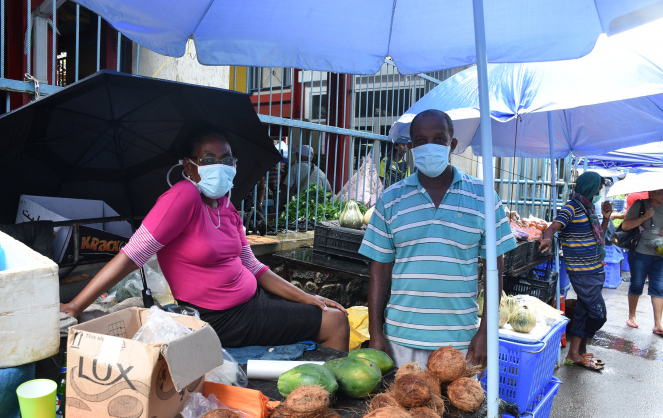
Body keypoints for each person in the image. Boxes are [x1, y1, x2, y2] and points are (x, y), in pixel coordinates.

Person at [60, 130, 349, 351]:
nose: (220, 166)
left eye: (227, 159)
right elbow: (132, 255)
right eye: (208, 159)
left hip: (252, 303)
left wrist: (307, 298)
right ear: (188, 166)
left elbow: (254, 267)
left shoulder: (226, 204)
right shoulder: (183, 198)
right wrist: (76, 305)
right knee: (336, 322)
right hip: (223, 318)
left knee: (328, 310)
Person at [359, 109, 516, 367]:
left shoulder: (484, 197)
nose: (429, 146)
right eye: (420, 141)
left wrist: (487, 333)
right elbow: (379, 269)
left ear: (452, 144)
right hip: (400, 341)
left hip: (460, 342)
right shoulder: (391, 199)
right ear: (410, 147)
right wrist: (376, 334)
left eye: (439, 139)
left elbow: (495, 268)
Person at [539, 172, 612, 371]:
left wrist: (606, 218)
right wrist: (546, 238)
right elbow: (553, 227)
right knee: (598, 315)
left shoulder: (589, 209)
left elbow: (600, 236)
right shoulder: (571, 208)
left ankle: (575, 353)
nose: (598, 192)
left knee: (583, 312)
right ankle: (577, 349)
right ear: (589, 187)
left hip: (595, 270)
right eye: (597, 187)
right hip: (582, 272)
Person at [620, 188, 663, 333]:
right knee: (637, 284)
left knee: (659, 287)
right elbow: (625, 226)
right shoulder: (640, 205)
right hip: (640, 252)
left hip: (660, 254)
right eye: (660, 192)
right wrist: (644, 217)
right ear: (651, 193)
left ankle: (658, 324)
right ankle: (632, 316)